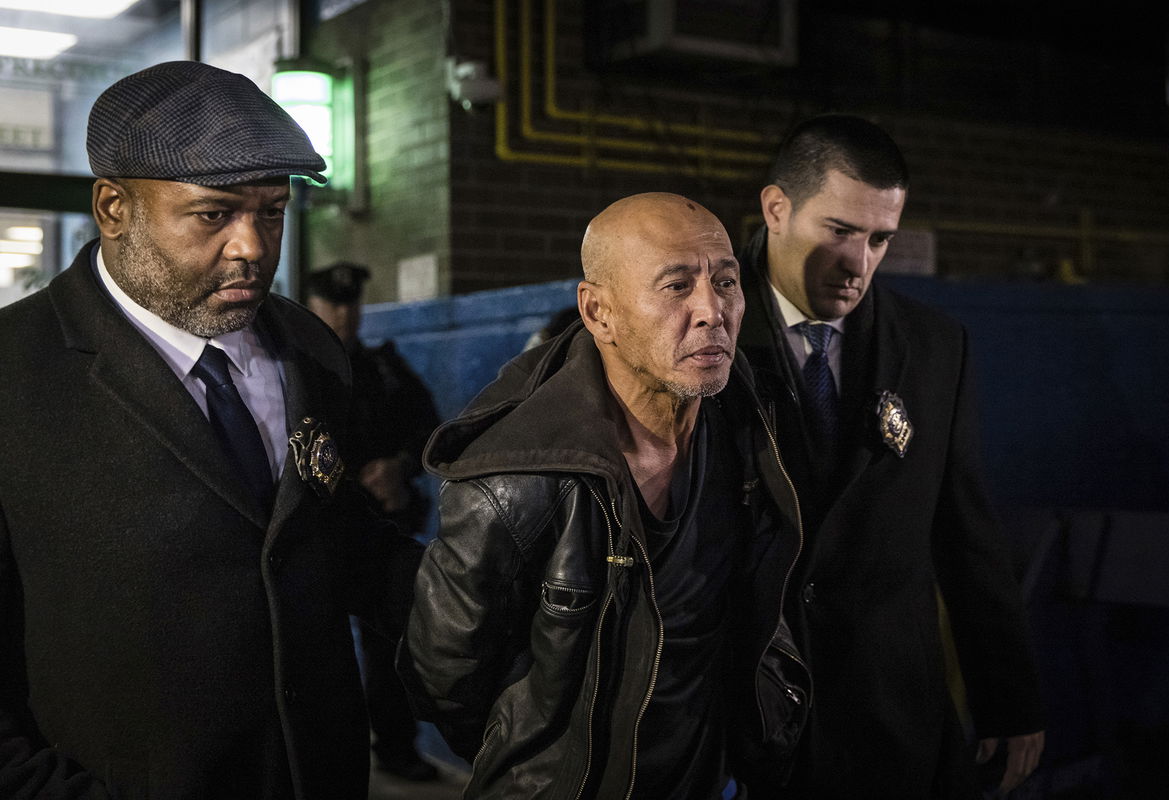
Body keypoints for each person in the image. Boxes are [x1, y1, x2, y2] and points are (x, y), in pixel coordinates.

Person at [0, 61, 419, 799]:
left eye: (273, 212)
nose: (253, 247)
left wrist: (477, 591)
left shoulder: (309, 349)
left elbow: (327, 539)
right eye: (214, 214)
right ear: (112, 207)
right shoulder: (14, 374)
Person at [400, 193, 811, 799]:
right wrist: (545, 753)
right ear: (599, 312)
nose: (712, 311)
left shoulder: (751, 432)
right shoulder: (515, 479)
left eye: (726, 281)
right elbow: (444, 676)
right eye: (676, 286)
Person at [737, 114, 1045, 798]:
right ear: (776, 209)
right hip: (744, 709)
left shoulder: (935, 348)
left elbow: (965, 531)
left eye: (879, 239)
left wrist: (1008, 695)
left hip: (889, 709)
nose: (859, 262)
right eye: (839, 231)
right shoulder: (705, 329)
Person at [305, 262, 441, 781]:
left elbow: (428, 429)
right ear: (312, 305)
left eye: (351, 304)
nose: (344, 314)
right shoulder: (295, 368)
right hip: (317, 535)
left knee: (391, 647)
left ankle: (396, 748)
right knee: (317, 654)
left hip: (381, 528)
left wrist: (398, 468)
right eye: (333, 303)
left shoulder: (383, 368)